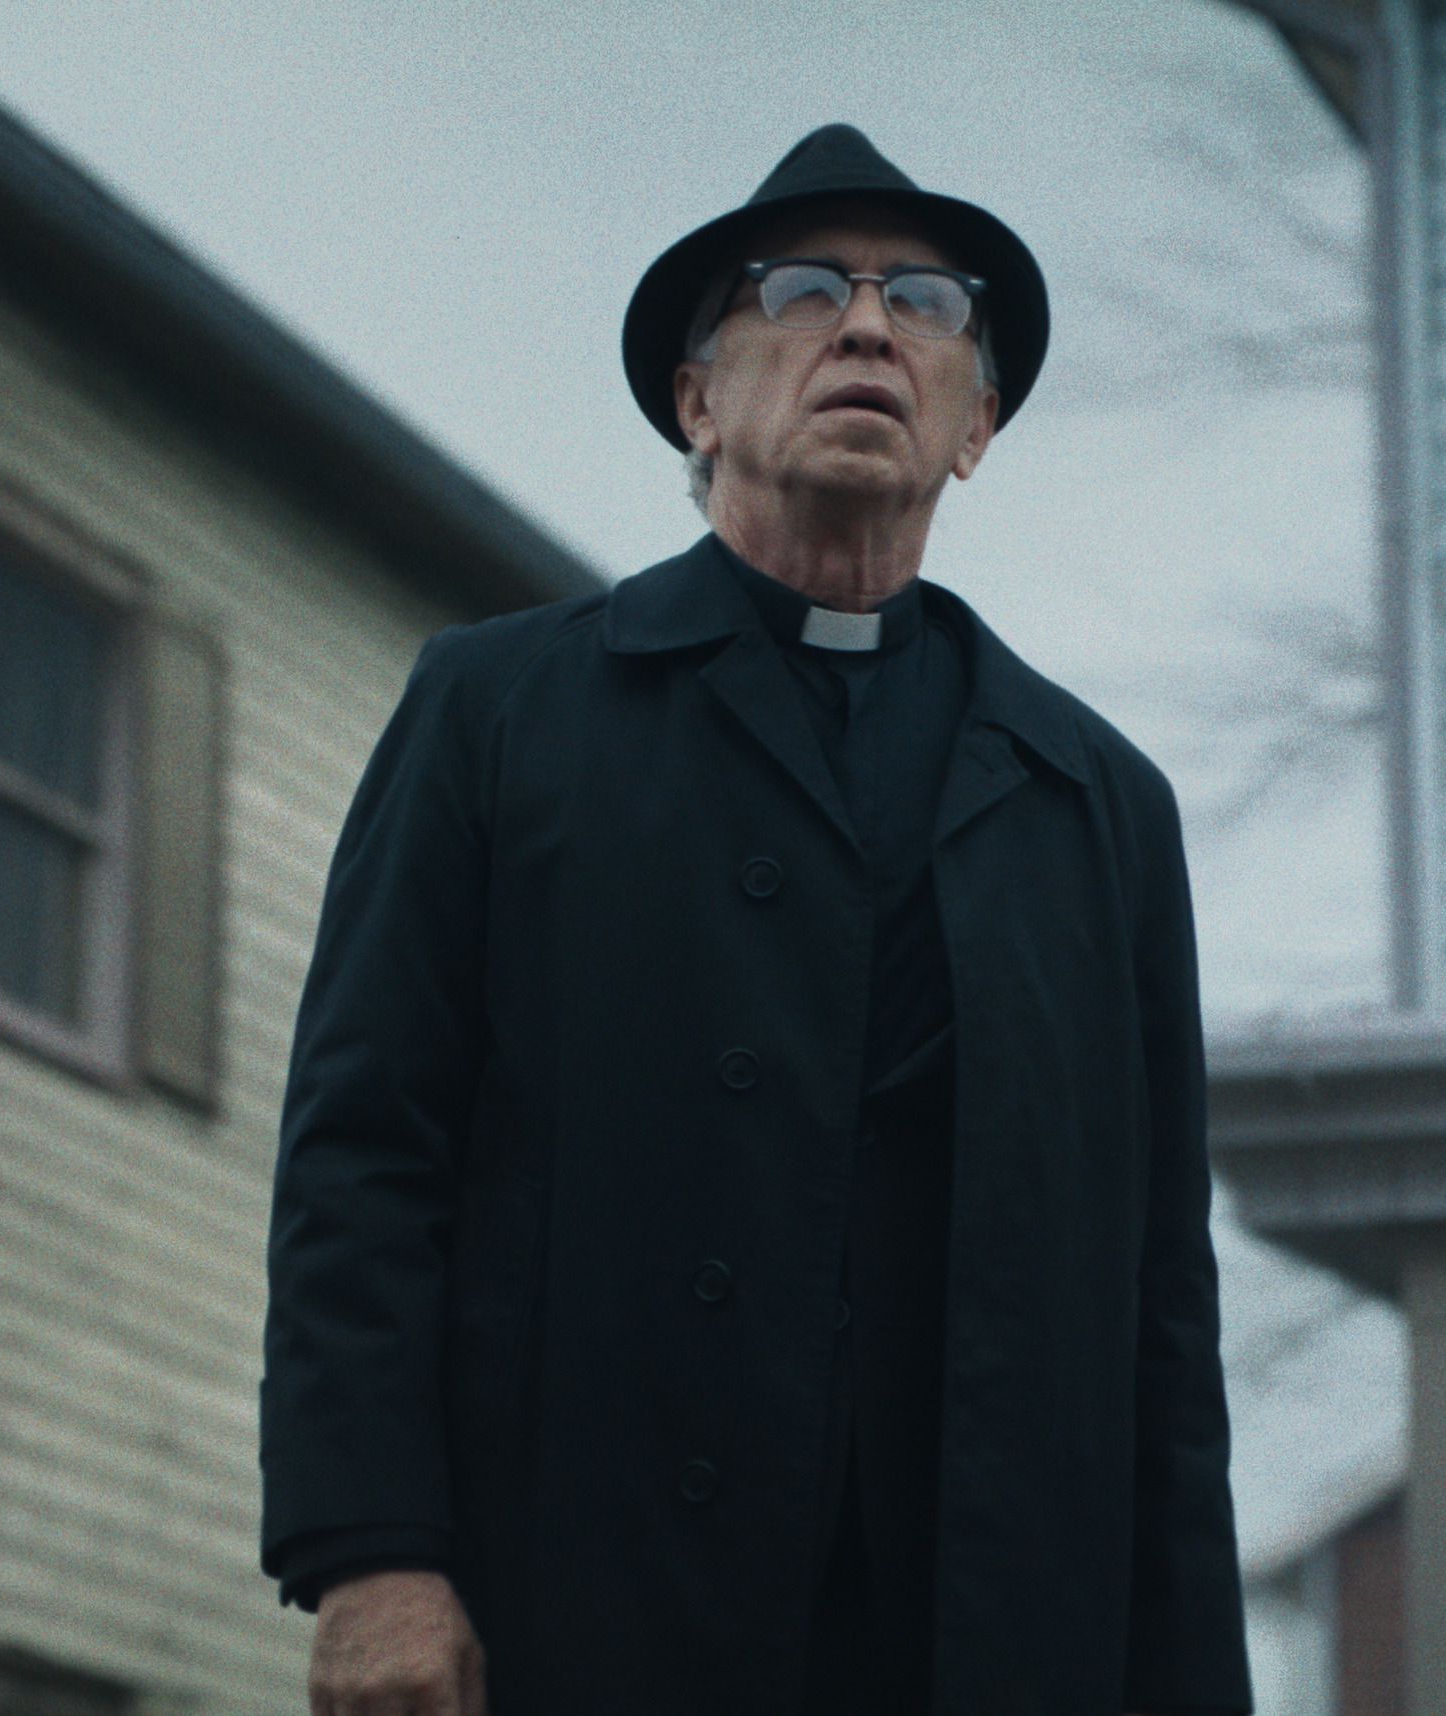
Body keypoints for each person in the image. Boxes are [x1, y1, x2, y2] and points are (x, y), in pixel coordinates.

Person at [257, 124, 1251, 1716]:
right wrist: (373, 1553)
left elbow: (1161, 1317)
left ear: (977, 424)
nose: (867, 327)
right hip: (589, 1610)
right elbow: (366, 1157)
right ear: (697, 401)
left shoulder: (1100, 807)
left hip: (987, 1645)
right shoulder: (500, 714)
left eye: (925, 302)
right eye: (801, 290)